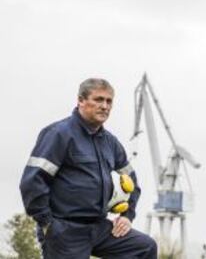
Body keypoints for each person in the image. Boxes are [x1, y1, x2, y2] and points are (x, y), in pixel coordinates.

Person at [20, 78, 157, 258]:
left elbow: (132, 181)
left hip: (99, 228)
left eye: (109, 101)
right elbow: (32, 181)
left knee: (144, 248)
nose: (105, 106)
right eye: (98, 99)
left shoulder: (110, 143)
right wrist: (48, 224)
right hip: (65, 230)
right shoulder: (59, 134)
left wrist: (127, 215)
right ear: (81, 100)